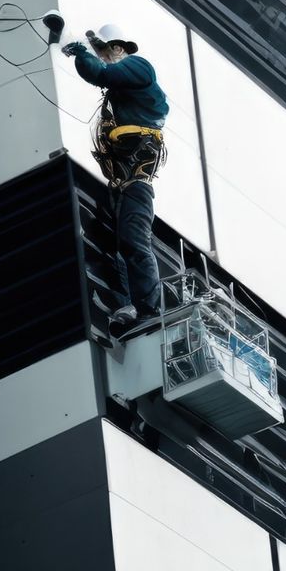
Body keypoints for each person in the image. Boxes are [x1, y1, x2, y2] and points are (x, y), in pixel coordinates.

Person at [62, 23, 169, 337]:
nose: (107, 57)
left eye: (110, 51)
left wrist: (81, 51)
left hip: (136, 179)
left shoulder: (139, 68)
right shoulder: (122, 88)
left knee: (135, 242)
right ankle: (131, 306)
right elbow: (102, 71)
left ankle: (150, 311)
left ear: (121, 48)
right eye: (104, 52)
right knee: (121, 244)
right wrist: (89, 50)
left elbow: (102, 73)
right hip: (122, 182)